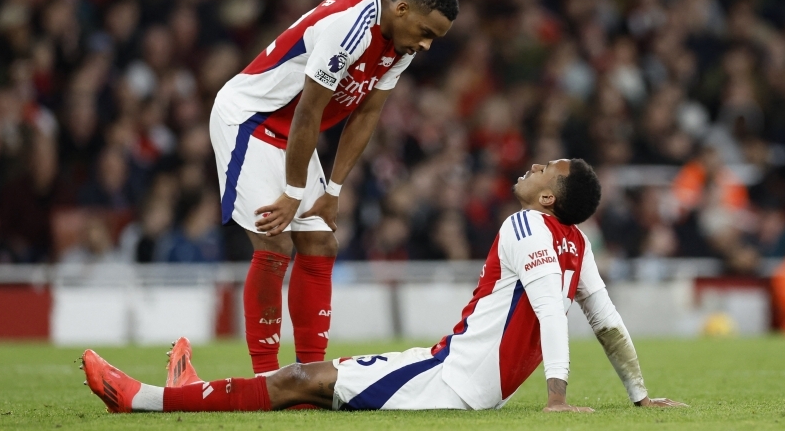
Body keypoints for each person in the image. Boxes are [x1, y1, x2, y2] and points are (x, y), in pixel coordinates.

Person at [81, 159, 686, 413]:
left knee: (302, 379)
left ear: (550, 197)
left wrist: (555, 400)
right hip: (455, 373)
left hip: (450, 380)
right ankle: (193, 391)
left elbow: (554, 315)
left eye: (544, 169)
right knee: (310, 393)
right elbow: (606, 324)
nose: (532, 167)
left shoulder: (526, 223)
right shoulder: (577, 247)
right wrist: (638, 395)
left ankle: (140, 399)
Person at [208, 0, 459, 375]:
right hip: (249, 120)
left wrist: (335, 189)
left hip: (290, 134)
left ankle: (310, 377)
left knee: (322, 245)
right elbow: (310, 108)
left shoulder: (402, 45)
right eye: (426, 32)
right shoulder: (351, 26)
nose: (426, 44)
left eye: (435, 38)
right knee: (275, 243)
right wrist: (292, 192)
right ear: (402, 8)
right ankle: (267, 378)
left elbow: (366, 113)